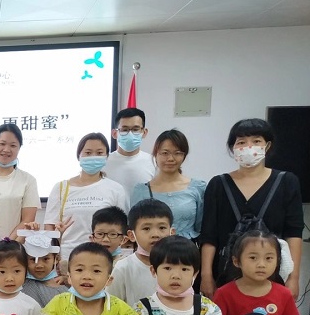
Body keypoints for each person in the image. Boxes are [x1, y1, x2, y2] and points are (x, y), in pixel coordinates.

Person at [199, 118, 303, 315]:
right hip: (226, 272)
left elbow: (293, 232)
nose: (248, 148)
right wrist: (206, 275)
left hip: (270, 275)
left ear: (267, 145)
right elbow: (209, 234)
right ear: (232, 148)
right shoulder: (218, 184)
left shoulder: (286, 181)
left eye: (255, 141)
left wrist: (293, 276)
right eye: (241, 142)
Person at [44, 133, 128, 268]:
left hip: (102, 260)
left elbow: (120, 229)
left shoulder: (116, 189)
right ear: (79, 156)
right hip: (66, 260)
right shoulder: (61, 187)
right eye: (88, 153)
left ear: (106, 156)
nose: (93, 157)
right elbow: (49, 228)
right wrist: (53, 257)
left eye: (99, 153)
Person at [130, 129, 206, 240]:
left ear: (184, 156)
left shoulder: (198, 188)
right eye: (165, 153)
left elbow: (202, 227)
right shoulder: (141, 191)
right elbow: (135, 228)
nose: (170, 159)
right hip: (153, 248)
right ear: (156, 154)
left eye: (177, 153)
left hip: (188, 248)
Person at [104, 107, 155, 200]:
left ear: (144, 132)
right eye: (124, 130)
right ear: (114, 133)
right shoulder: (104, 163)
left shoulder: (154, 162)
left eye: (135, 129)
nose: (130, 134)